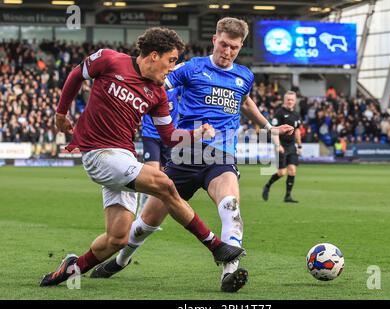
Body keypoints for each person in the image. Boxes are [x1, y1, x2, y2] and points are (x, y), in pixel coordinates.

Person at [89, 17, 294, 293]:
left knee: (230, 207)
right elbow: (157, 84)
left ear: (240, 46)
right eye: (223, 44)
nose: (228, 51)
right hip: (185, 155)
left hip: (221, 156)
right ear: (214, 40)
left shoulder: (244, 75)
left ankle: (230, 273)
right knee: (146, 223)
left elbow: (244, 101)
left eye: (234, 47)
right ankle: (122, 260)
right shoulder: (192, 68)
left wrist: (269, 127)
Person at [39, 27, 245, 287]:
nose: (173, 67)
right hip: (98, 153)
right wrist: (60, 113)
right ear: (154, 56)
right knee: (166, 185)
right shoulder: (109, 59)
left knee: (117, 239)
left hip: (123, 156)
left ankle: (72, 268)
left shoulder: (158, 95)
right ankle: (216, 246)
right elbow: (75, 75)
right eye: (171, 61)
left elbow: (169, 136)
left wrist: (197, 133)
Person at [136, 87, 181, 215]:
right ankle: (142, 213)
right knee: (152, 176)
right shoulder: (149, 87)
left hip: (171, 136)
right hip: (151, 135)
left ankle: (152, 215)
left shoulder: (176, 87)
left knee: (166, 178)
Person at [262, 91, 302, 203]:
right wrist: (278, 145)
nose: (290, 101)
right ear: (284, 100)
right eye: (288, 99)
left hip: (291, 146)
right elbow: (274, 130)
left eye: (292, 100)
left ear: (295, 101)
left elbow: (297, 131)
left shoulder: (296, 115)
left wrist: (299, 145)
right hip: (281, 146)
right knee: (281, 172)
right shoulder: (279, 113)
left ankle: (287, 196)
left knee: (292, 171)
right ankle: (267, 186)